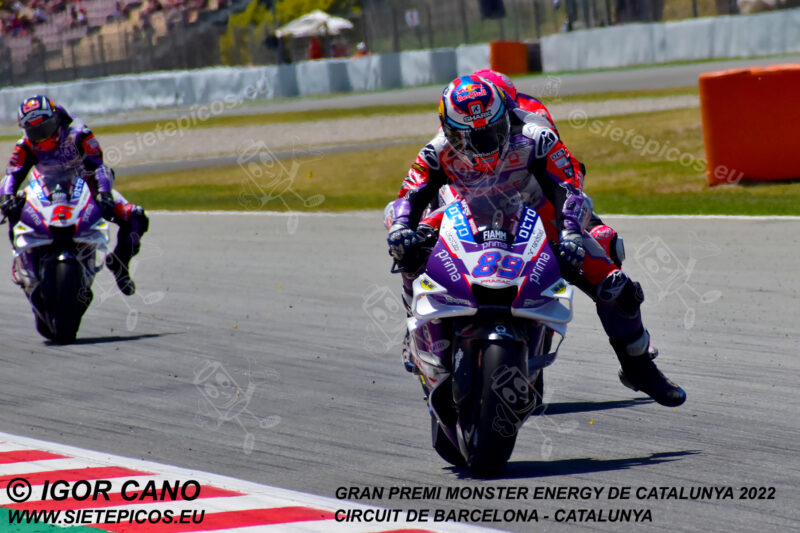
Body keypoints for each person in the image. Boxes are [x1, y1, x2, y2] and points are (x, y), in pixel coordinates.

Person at [386, 76, 686, 407]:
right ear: (449, 129)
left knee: (617, 286)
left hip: (534, 210)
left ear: (507, 114)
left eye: (492, 130)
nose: (485, 144)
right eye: (471, 137)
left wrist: (571, 232)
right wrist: (402, 228)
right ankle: (414, 323)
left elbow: (568, 186)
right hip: (464, 210)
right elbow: (410, 194)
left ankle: (638, 366)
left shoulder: (536, 136)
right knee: (409, 244)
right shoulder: (438, 148)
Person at [473, 68, 624, 267]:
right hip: (482, 193)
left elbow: (556, 162)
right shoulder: (464, 119)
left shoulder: (531, 112)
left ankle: (604, 267)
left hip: (531, 190)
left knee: (600, 235)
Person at [0, 95, 149, 296]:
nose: (41, 137)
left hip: (85, 188)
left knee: (136, 217)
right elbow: (12, 175)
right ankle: (21, 259)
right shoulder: (25, 144)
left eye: (43, 128)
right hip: (42, 190)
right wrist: (7, 197)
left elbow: (99, 167)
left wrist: (104, 193)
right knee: (11, 206)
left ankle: (120, 263)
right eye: (34, 132)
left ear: (55, 119)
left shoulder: (79, 134)